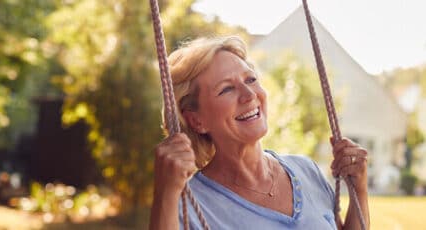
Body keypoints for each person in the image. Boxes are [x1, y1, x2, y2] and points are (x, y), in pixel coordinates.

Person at [149, 36, 369, 230]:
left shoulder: (307, 171)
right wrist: (165, 194)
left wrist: (359, 189)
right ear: (196, 120)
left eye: (250, 79)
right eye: (226, 89)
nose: (248, 95)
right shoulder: (190, 205)